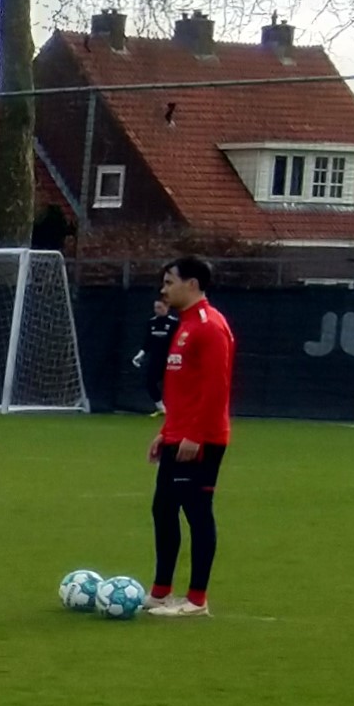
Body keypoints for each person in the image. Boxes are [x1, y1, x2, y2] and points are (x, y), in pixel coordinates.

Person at [146, 256, 235, 618]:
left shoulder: (209, 326)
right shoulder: (183, 326)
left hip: (201, 441)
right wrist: (166, 432)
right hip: (178, 437)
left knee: (196, 513)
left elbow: (217, 388)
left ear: (193, 284)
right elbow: (183, 390)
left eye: (170, 282)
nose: (164, 289)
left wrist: (195, 435)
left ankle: (196, 600)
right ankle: (160, 592)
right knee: (163, 509)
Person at [134, 296, 178, 416]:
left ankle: (176, 409)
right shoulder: (151, 322)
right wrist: (140, 354)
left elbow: (178, 342)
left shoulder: (174, 323)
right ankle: (161, 408)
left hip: (171, 359)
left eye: (160, 307)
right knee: (150, 382)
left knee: (173, 385)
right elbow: (147, 342)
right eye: (155, 307)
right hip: (155, 358)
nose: (157, 310)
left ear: (167, 307)